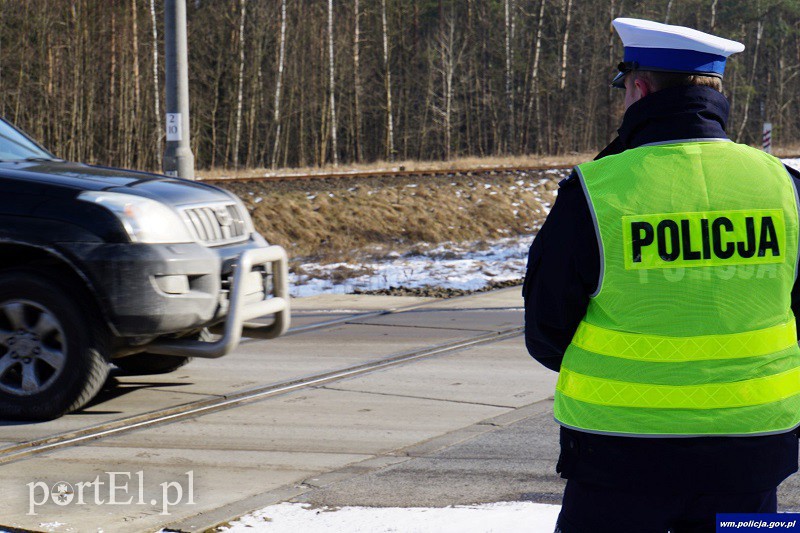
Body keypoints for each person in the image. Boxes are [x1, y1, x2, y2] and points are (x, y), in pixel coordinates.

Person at [523, 18, 800, 532]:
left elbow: (545, 328)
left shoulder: (595, 190)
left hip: (618, 456)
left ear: (640, 89)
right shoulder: (784, 187)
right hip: (752, 456)